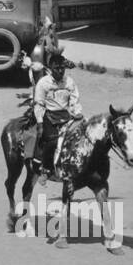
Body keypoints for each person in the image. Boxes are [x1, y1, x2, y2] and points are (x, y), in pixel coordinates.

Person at [31, 53, 83, 186]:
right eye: (57, 68)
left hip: (66, 116)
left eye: (62, 68)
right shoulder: (43, 83)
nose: (60, 71)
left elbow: (75, 100)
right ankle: (46, 170)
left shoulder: (69, 82)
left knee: (82, 136)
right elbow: (39, 104)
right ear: (50, 68)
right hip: (49, 116)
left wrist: (77, 113)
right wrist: (40, 123)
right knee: (52, 141)